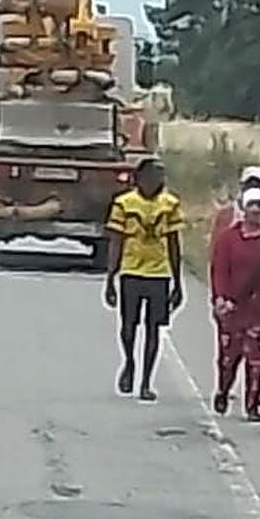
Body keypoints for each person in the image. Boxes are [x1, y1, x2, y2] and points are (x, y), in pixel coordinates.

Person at [104, 158, 185, 402]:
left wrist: (178, 283)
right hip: (131, 271)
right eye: (152, 176)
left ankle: (146, 381)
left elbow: (174, 244)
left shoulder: (170, 205)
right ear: (139, 178)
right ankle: (129, 361)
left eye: (161, 177)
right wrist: (110, 278)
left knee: (154, 329)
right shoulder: (124, 204)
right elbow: (116, 241)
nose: (157, 182)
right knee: (128, 327)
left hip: (159, 274)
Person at [209, 187, 260, 421]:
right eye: (251, 205)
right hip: (232, 308)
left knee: (256, 358)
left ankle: (252, 405)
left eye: (259, 206)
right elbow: (219, 270)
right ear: (243, 209)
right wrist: (221, 298)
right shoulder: (228, 239)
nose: (255, 210)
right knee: (228, 357)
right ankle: (223, 390)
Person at [209, 165, 260, 241]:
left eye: (258, 183)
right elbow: (216, 243)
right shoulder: (224, 214)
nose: (253, 185)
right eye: (249, 183)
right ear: (242, 186)